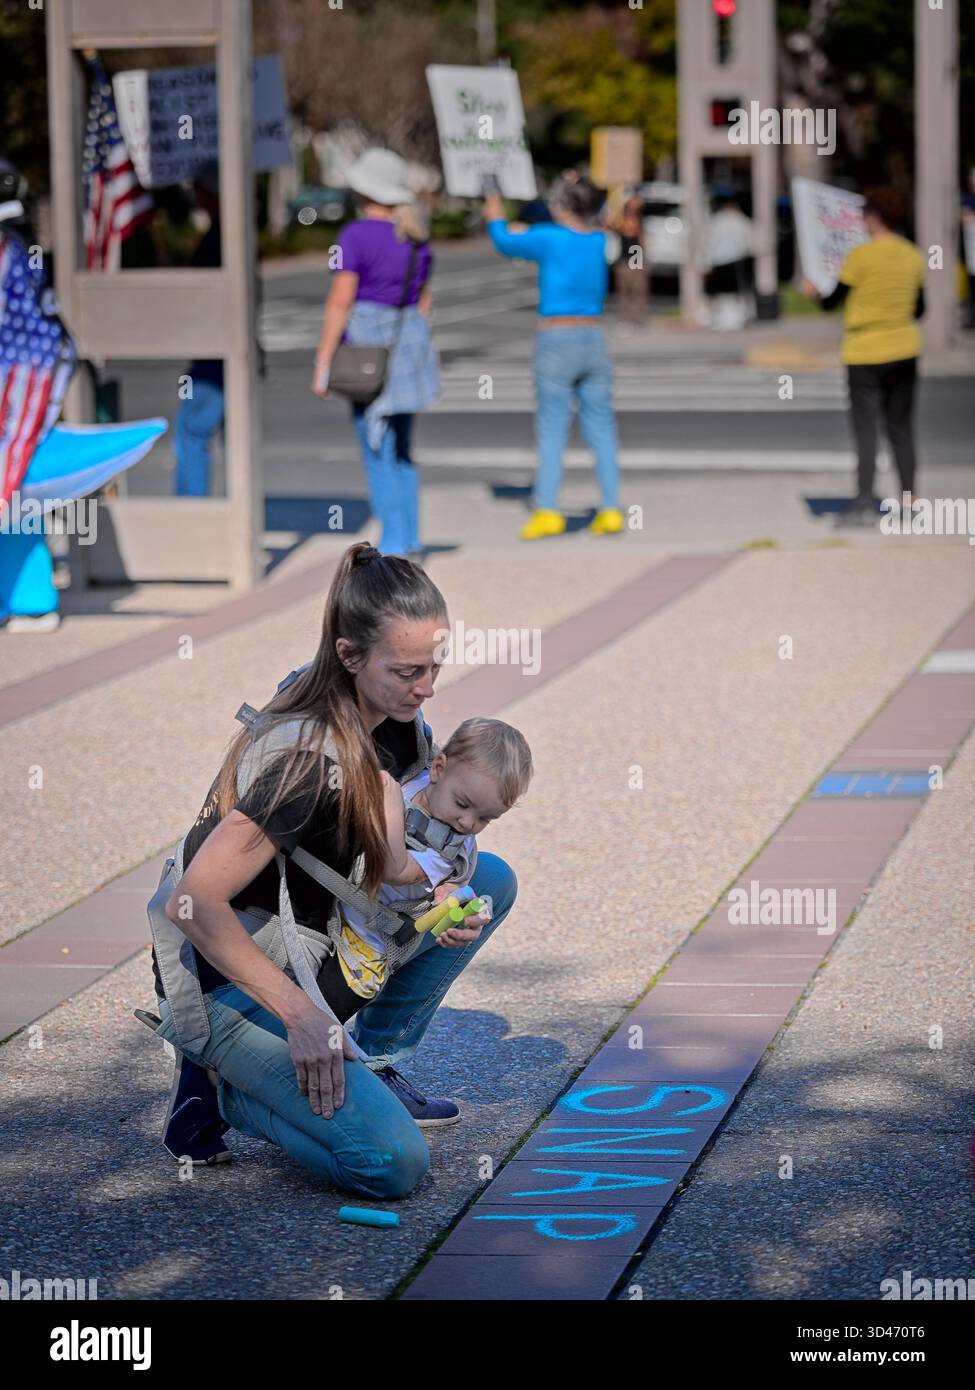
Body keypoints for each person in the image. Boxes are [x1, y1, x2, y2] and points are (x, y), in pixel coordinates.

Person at [144, 543, 519, 1198]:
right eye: (407, 671)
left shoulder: (395, 716)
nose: (426, 689)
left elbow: (390, 846)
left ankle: (372, 1061)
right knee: (391, 1167)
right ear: (349, 655)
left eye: (433, 667)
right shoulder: (307, 760)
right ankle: (222, 1088)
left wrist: (441, 899)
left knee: (487, 883)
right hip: (222, 966)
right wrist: (300, 1016)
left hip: (308, 931)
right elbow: (193, 901)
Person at [324, 714, 532, 1011]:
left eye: (486, 818)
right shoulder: (413, 776)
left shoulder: (446, 847)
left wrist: (389, 806)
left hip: (366, 936)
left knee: (340, 998)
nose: (467, 823)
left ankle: (370, 1050)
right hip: (334, 899)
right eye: (462, 803)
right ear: (438, 768)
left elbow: (395, 870)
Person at [311, 149, 439, 560]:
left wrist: (324, 363)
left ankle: (395, 542)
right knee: (401, 447)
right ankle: (411, 536)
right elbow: (423, 302)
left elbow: (339, 303)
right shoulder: (418, 237)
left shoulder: (355, 236)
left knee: (376, 446)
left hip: (369, 354)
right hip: (408, 351)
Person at [484, 172, 624, 541]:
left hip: (556, 337)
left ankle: (547, 510)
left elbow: (502, 240)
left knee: (551, 429)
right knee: (602, 427)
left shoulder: (550, 238)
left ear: (561, 204)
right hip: (593, 336)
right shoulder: (598, 241)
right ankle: (610, 507)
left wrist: (494, 207)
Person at [803, 187, 926, 524]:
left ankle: (864, 502)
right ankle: (910, 500)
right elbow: (919, 308)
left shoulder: (860, 257)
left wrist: (814, 293)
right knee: (901, 428)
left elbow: (832, 302)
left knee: (866, 430)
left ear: (874, 218)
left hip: (864, 352)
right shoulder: (913, 256)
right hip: (904, 349)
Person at [0, 157, 76, 634]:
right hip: (30, 393)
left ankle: (27, 597)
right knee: (19, 492)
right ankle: (28, 596)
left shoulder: (11, 255)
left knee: (16, 490)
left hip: (16, 397)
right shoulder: (24, 252)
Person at [173, 162, 224, 497]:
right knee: (232, 434)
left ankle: (192, 508)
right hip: (222, 351)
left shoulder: (219, 238)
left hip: (215, 354)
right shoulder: (230, 234)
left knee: (191, 429)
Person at [704, 193, 754, 331]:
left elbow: (709, 242)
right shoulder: (741, 220)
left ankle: (723, 318)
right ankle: (736, 318)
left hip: (718, 261)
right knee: (736, 290)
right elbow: (748, 239)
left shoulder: (716, 220)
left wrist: (706, 261)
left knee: (721, 291)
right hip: (736, 259)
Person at [611, 190, 649, 326]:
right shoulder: (620, 218)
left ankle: (637, 317)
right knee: (624, 289)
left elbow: (643, 240)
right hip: (624, 257)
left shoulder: (640, 218)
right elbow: (612, 226)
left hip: (636, 254)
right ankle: (626, 317)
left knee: (638, 289)